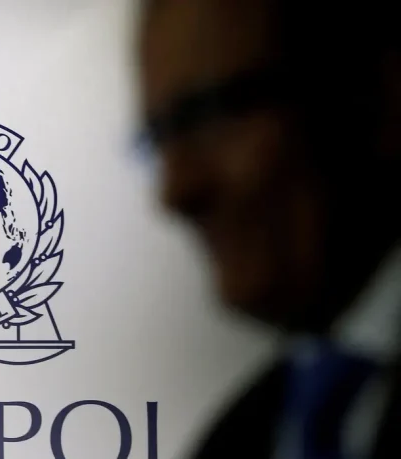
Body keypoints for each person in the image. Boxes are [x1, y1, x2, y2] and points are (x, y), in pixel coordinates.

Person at [139, 0, 401, 458]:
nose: (176, 191)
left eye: (210, 113)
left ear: (376, 92)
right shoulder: (232, 442)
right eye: (160, 136)